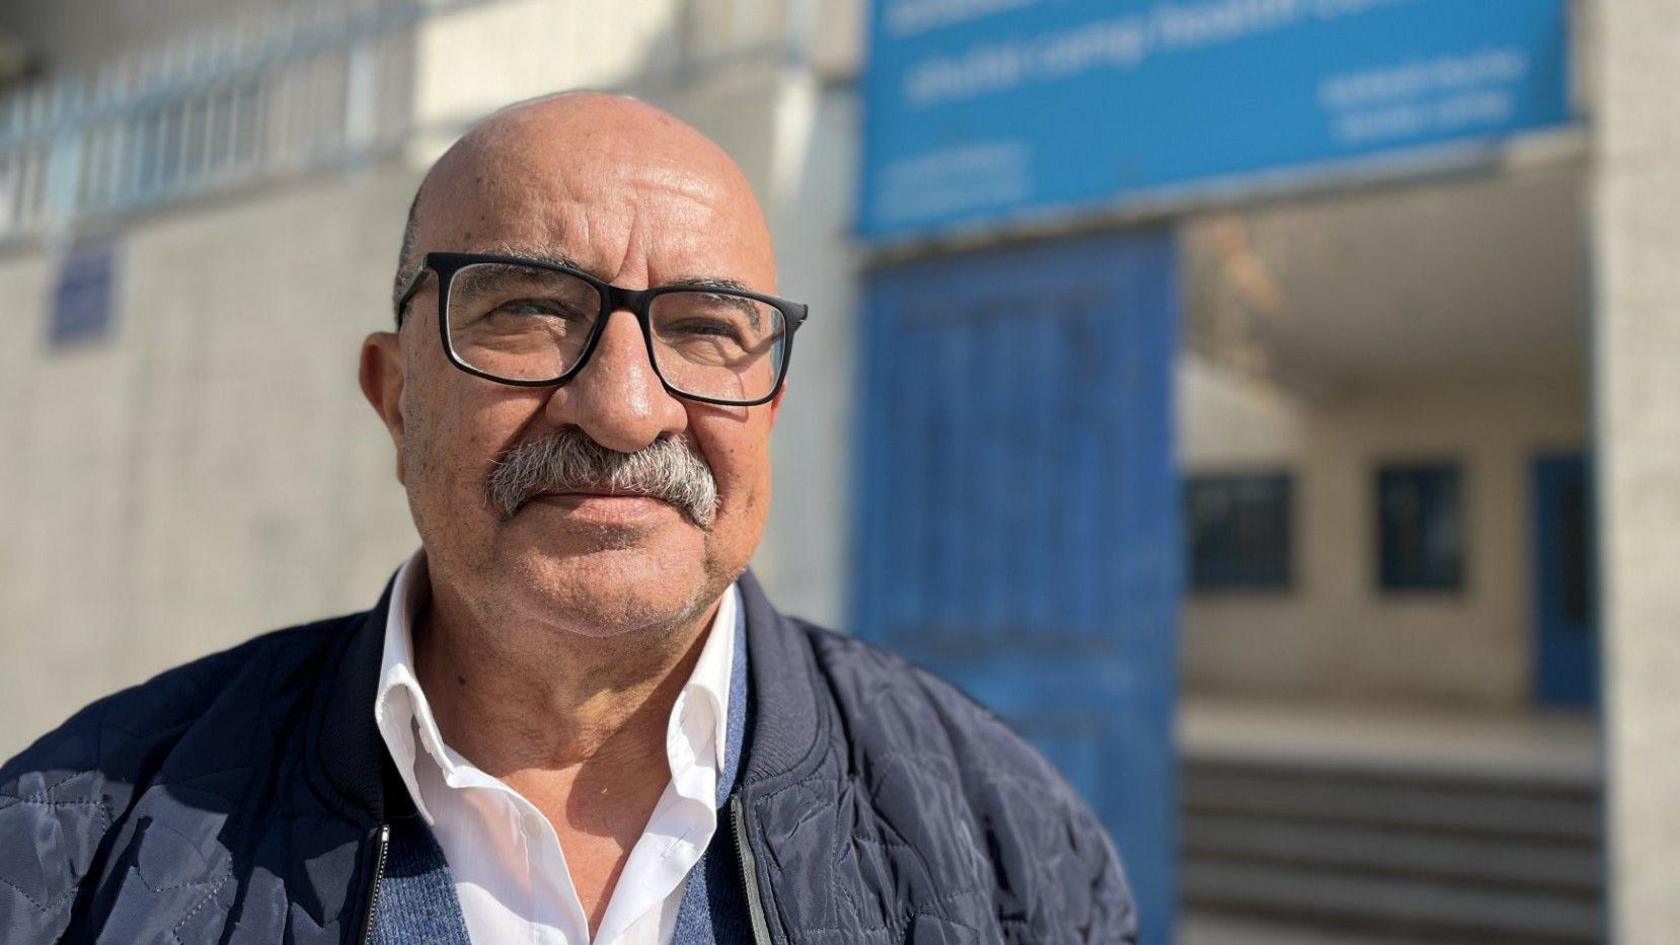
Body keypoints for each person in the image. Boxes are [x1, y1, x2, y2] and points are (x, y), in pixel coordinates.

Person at [0, 92, 1133, 944]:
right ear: (398, 397)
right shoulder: (71, 849)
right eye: (531, 312)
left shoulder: (1007, 843)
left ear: (770, 410)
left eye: (704, 328)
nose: (626, 407)